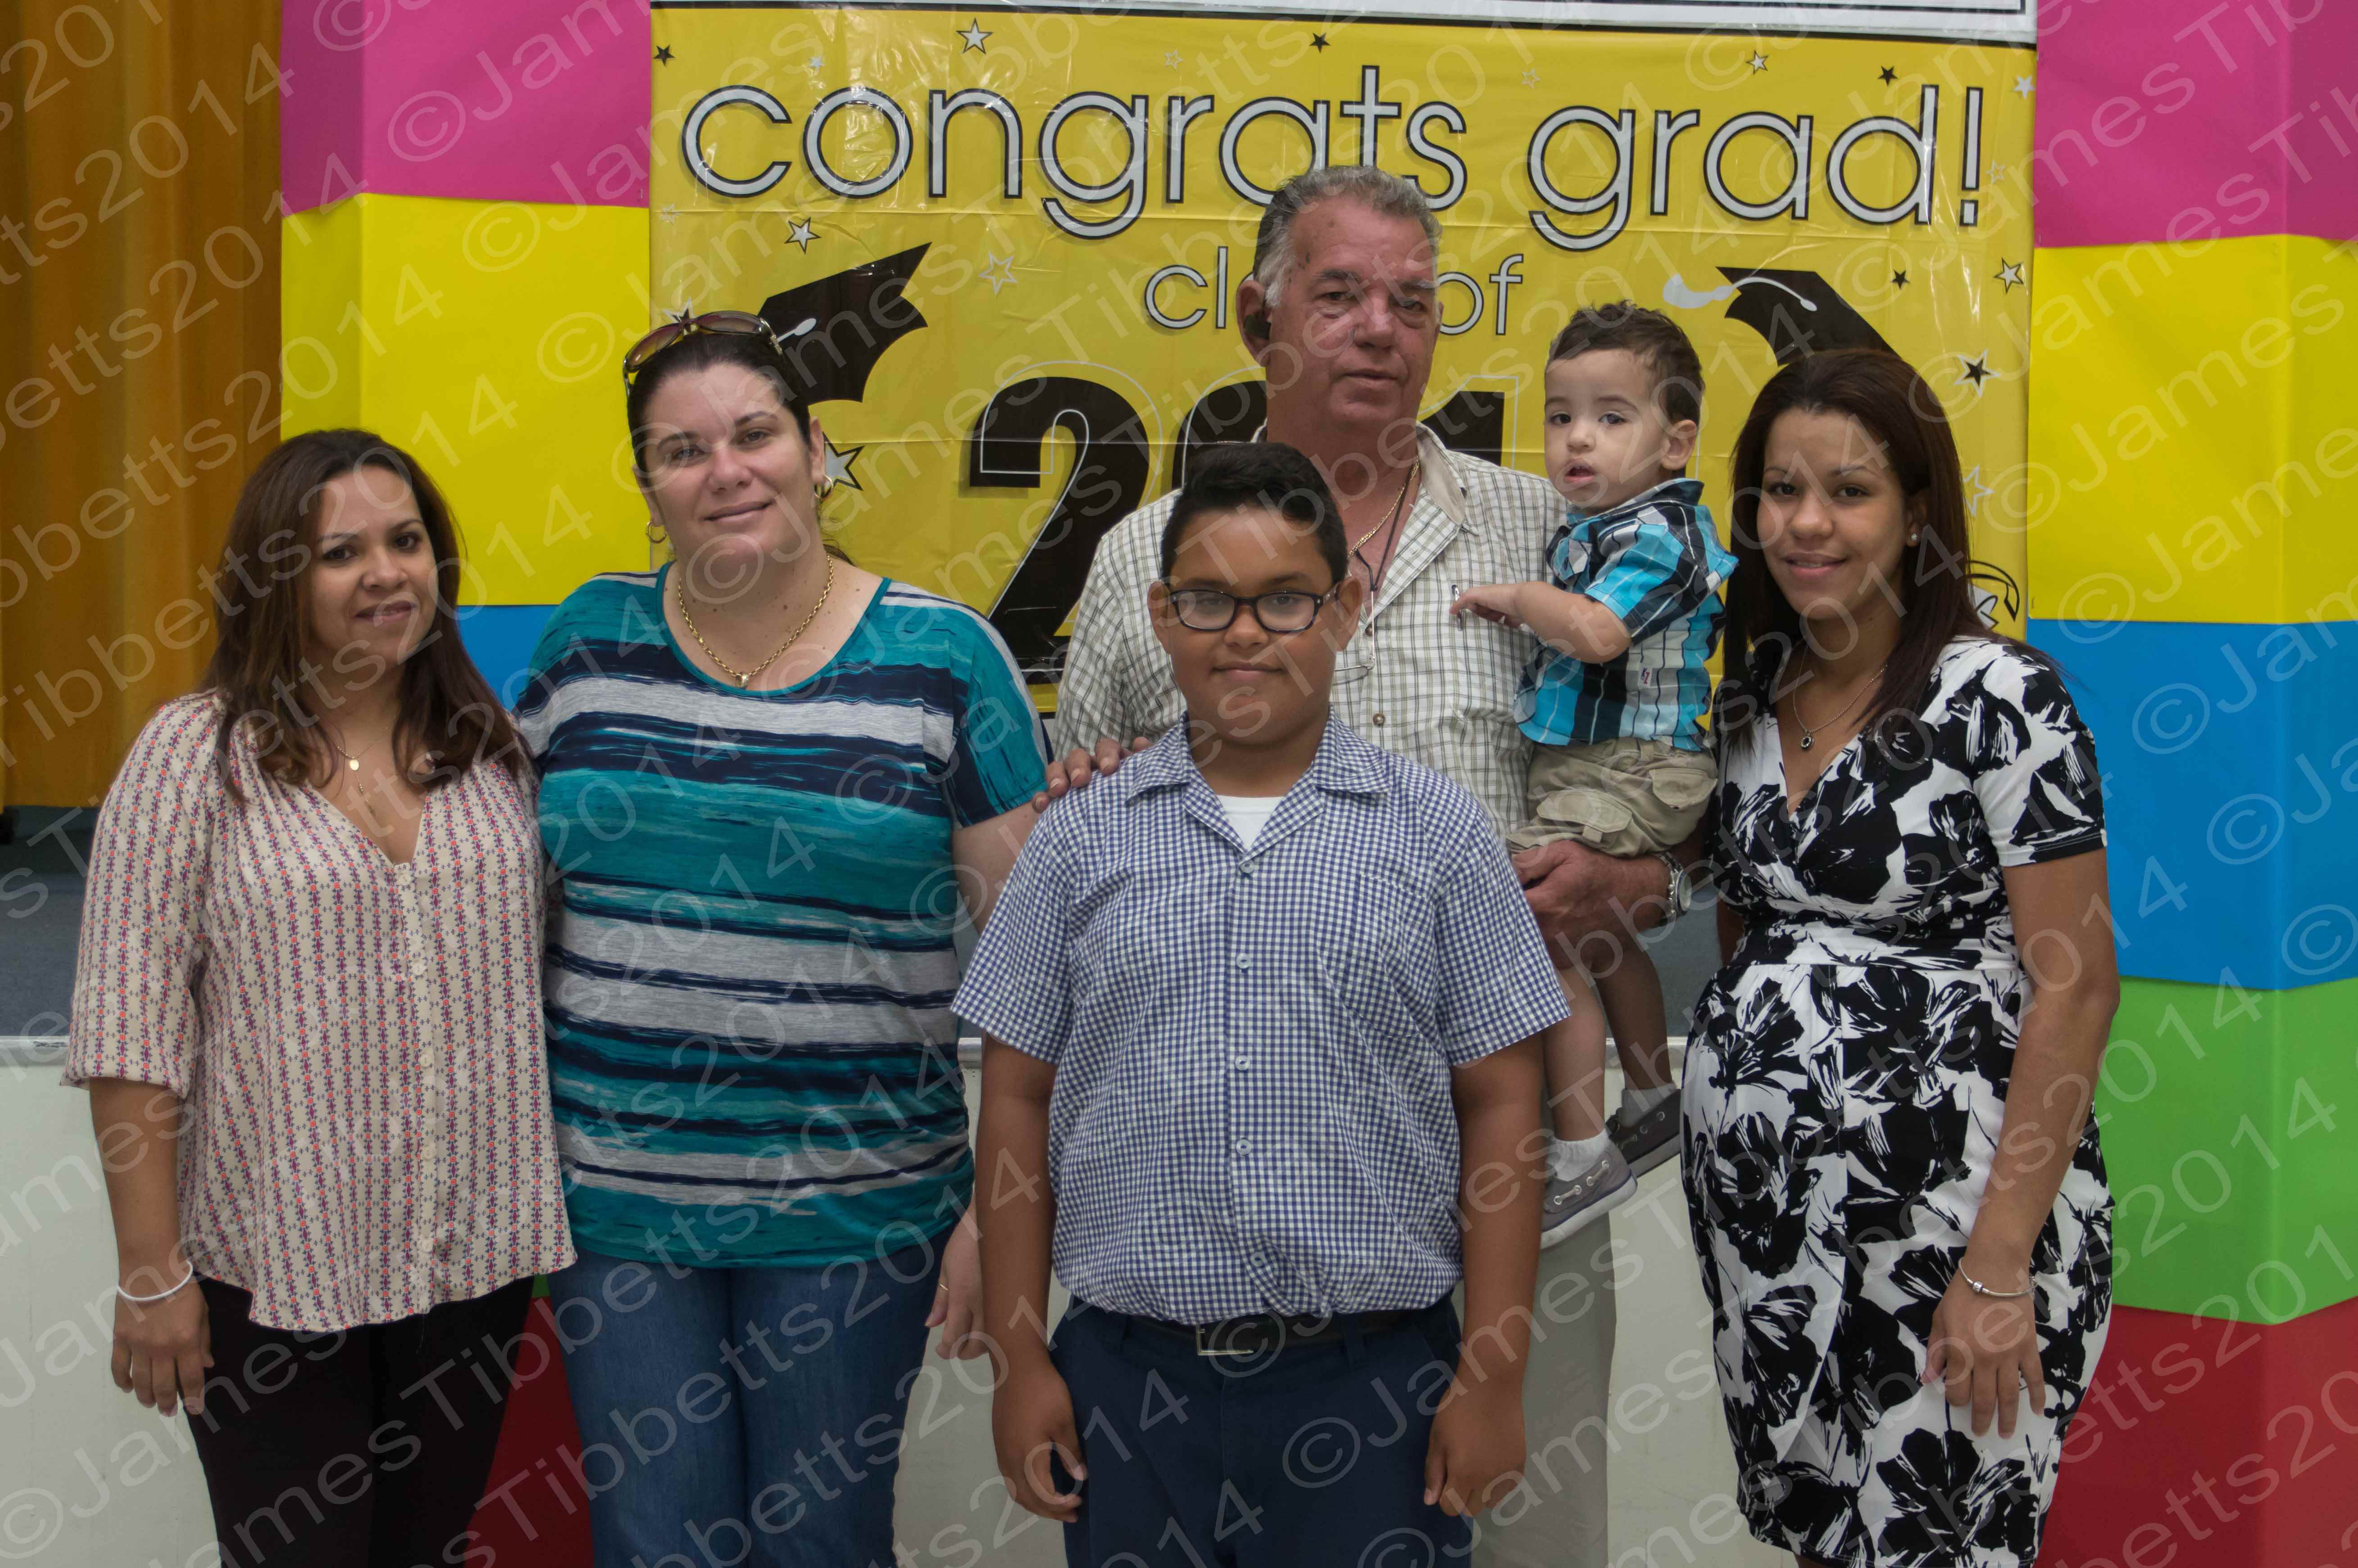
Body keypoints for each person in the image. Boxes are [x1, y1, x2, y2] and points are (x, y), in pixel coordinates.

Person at [1045, 164, 1648, 1567]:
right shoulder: (1140, 557)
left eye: (1412, 302)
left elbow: (1662, 774)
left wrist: (1631, 884)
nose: (1381, 328)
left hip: (1519, 1161)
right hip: (1233, 1187)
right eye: (1339, 296)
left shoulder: (1545, 536)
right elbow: (1074, 838)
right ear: (1256, 319)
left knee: (1534, 1526)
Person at [960, 445, 1567, 1564]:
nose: (1244, 633)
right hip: (1126, 1385)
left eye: (1285, 599)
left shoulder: (1435, 834)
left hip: (1375, 1384)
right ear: (1160, 613)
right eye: (1207, 599)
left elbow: (1500, 1104)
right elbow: (1014, 1098)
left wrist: (1491, 1372)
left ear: (1344, 609)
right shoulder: (1081, 836)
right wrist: (1018, 1356)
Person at [515, 309, 1049, 1567]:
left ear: (815, 451)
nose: (725, 471)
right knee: (654, 1545)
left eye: (753, 434)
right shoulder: (585, 641)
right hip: (615, 1209)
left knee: (821, 1543)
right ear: (649, 485)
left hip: (858, 1215)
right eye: (682, 450)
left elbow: (1034, 975)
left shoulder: (943, 658)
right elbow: (503, 913)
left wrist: (997, 1214)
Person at [68, 428, 574, 1566]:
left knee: (426, 1551)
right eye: (341, 553)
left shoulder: (491, 751)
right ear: (276, 579)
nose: (385, 574)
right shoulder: (194, 758)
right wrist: (151, 1272)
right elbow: (129, 1034)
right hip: (273, 1271)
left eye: (406, 542)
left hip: (471, 1262)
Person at [1685, 349, 2117, 1567]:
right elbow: (1751, 936)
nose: (1805, 523)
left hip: (1953, 1230)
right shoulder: (1750, 695)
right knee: (1819, 1538)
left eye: (1849, 491)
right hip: (1768, 1226)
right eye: (1779, 491)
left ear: (1917, 510)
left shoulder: (1998, 695)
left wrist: (1996, 1267)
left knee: (1942, 1538)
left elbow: (2077, 982)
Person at [1452, 304, 1734, 1244]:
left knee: (1547, 931)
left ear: (1675, 442)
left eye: (1612, 418)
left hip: (1632, 767)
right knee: (1606, 936)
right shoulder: (1596, 526)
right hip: (1596, 765)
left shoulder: (1659, 534)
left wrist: (1517, 598)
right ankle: (1651, 1095)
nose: (1578, 438)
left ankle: (1579, 1153)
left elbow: (1599, 632)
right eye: (1561, 416)